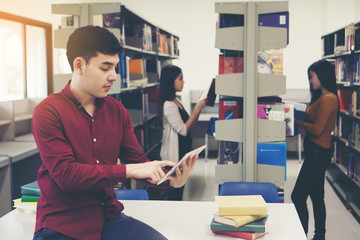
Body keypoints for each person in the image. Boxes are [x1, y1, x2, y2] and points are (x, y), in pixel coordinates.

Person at [31, 25, 197, 240]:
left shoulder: (116, 110)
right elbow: (67, 175)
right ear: (79, 65)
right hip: (63, 223)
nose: (114, 76)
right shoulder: (48, 111)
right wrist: (129, 170)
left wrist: (171, 180)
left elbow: (137, 161)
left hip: (108, 217)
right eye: (105, 68)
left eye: (116, 68)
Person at [291, 59, 339, 240]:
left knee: (298, 196)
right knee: (317, 197)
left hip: (318, 154)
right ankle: (319, 236)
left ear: (322, 76)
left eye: (312, 76)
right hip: (316, 152)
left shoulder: (328, 99)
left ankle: (300, 234)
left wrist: (293, 120)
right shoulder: (323, 97)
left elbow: (317, 130)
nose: (310, 81)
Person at [157, 65, 207, 200]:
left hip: (182, 150)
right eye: (180, 79)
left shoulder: (176, 101)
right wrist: (197, 108)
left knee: (180, 186)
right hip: (174, 152)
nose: (183, 82)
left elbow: (191, 125)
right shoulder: (169, 104)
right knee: (175, 189)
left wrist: (199, 109)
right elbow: (183, 130)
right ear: (170, 81)